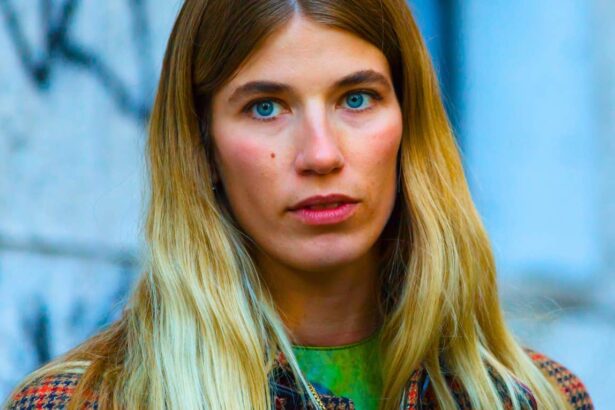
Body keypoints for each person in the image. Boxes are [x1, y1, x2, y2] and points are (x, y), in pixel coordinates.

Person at [5, 0, 593, 409]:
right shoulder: (85, 402)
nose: (320, 154)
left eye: (356, 99)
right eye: (266, 107)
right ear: (202, 146)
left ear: (408, 123)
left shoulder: (539, 399)